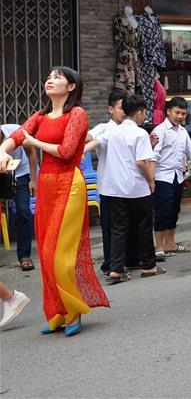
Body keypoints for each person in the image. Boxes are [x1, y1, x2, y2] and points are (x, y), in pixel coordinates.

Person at [0, 67, 109, 335]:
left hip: (70, 184)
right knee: (47, 255)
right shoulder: (40, 116)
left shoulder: (77, 114)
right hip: (46, 187)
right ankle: (59, 313)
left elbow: (66, 151)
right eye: (49, 76)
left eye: (57, 77)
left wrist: (33, 141)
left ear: (71, 87)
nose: (50, 80)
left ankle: (74, 311)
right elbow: (14, 138)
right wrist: (2, 152)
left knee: (62, 257)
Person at [100, 95, 162, 283]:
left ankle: (116, 269)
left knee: (118, 228)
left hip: (114, 189)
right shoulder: (139, 133)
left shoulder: (112, 132)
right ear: (140, 112)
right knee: (144, 226)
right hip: (136, 188)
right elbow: (141, 162)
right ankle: (149, 265)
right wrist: (151, 179)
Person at [84, 89, 138, 277]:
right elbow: (88, 137)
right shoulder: (104, 128)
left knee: (129, 226)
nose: (124, 111)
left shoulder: (133, 129)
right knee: (110, 228)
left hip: (130, 186)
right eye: (121, 108)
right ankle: (109, 265)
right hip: (109, 187)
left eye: (126, 108)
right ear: (110, 109)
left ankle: (129, 260)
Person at [150, 97, 191, 257]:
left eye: (183, 113)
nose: (180, 116)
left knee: (174, 210)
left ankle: (170, 244)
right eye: (177, 112)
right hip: (162, 176)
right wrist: (151, 179)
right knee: (162, 211)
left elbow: (190, 151)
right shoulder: (160, 130)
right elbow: (153, 156)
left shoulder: (183, 131)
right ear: (168, 111)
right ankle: (159, 247)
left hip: (178, 176)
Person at [0, 124, 38, 270]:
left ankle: (24, 256)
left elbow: (31, 152)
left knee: (24, 211)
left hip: (20, 173)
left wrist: (33, 179)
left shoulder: (15, 132)